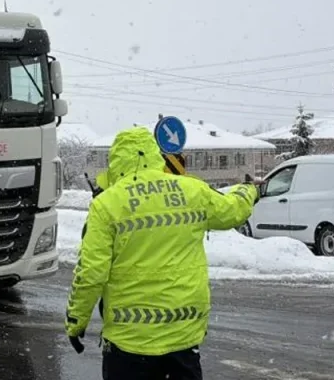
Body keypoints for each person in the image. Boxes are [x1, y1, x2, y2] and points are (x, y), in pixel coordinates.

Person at [65, 126, 260, 380]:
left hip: (129, 344)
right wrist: (249, 190)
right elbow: (233, 210)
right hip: (183, 338)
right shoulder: (192, 191)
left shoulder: (106, 205)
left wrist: (76, 321)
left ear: (116, 160)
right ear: (155, 154)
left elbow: (91, 273)